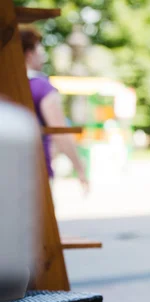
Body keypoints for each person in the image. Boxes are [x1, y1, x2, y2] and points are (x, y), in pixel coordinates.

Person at [20, 27, 89, 193]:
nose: (43, 56)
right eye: (39, 50)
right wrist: (79, 168)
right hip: (35, 170)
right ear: (29, 53)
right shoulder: (40, 86)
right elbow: (60, 132)